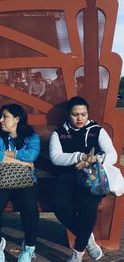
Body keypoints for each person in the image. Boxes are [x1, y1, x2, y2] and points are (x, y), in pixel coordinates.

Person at [49, 96, 117, 262]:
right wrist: (80, 156)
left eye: (83, 114)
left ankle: (78, 252)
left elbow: (113, 155)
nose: (79, 118)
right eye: (75, 114)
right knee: (58, 204)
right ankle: (87, 238)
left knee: (88, 205)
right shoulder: (59, 134)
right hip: (67, 178)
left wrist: (98, 159)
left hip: (92, 178)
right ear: (68, 114)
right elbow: (55, 157)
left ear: (88, 114)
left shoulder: (97, 130)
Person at [0, 104, 41, 262]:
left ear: (17, 119)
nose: (1, 120)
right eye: (1, 116)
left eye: (5, 116)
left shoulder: (32, 136)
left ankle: (29, 248)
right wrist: (23, 163)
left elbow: (32, 154)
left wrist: (9, 153)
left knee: (29, 207)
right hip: (1, 181)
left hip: (25, 181)